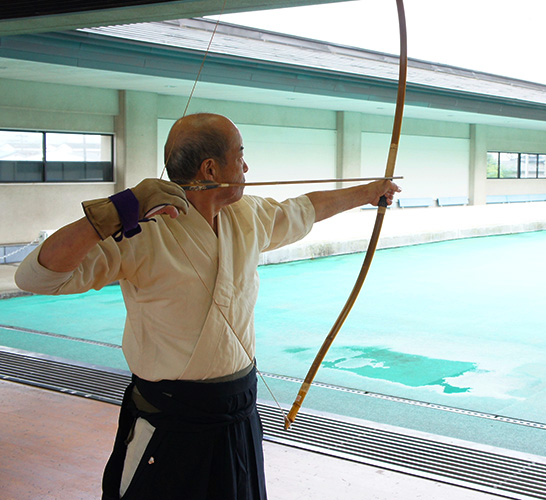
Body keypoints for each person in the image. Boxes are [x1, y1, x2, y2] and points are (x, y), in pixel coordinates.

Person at [14, 112, 400, 500]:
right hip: (171, 421)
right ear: (211, 168)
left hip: (237, 414)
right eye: (240, 155)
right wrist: (118, 210)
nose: (246, 166)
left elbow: (305, 208)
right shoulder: (141, 229)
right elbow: (35, 276)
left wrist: (368, 192)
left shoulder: (246, 215)